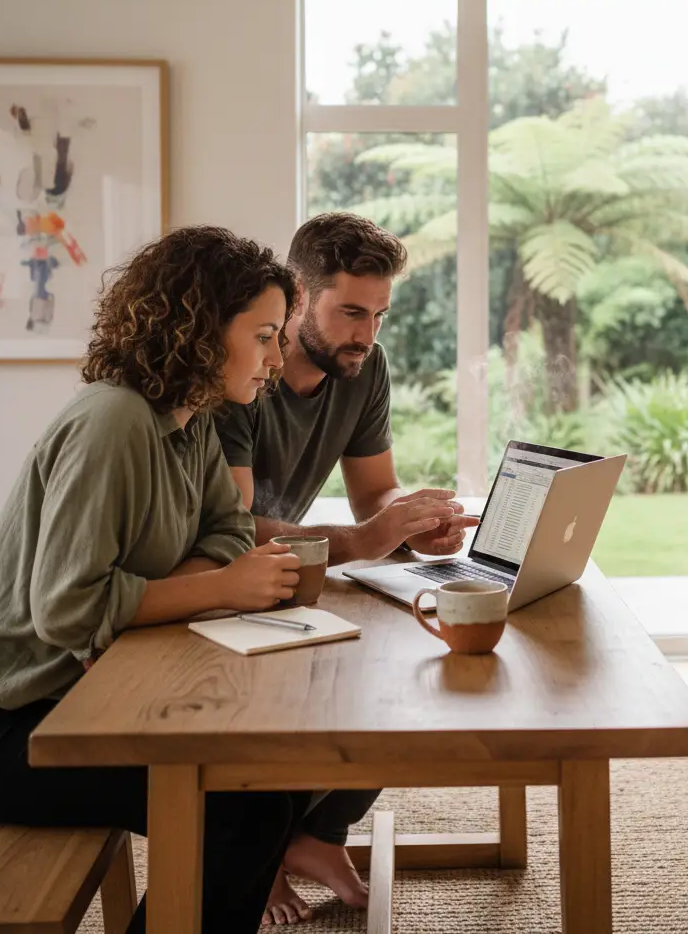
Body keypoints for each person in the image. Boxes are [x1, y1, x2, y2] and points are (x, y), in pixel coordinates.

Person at [0, 226, 309, 934]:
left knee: (278, 775)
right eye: (263, 336)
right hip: (11, 722)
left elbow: (228, 531)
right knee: (242, 808)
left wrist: (195, 586)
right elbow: (68, 610)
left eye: (279, 336)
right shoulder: (113, 423)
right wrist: (220, 590)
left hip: (80, 690)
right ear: (199, 327)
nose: (277, 359)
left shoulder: (191, 417)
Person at [215, 212, 479, 925]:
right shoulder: (241, 373)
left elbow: (374, 492)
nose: (367, 335)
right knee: (295, 696)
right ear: (297, 299)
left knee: (409, 668)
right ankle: (256, 852)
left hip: (290, 576)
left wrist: (416, 525)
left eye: (381, 314)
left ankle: (316, 837)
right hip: (218, 580)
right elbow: (231, 531)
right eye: (352, 313)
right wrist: (367, 540)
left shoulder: (366, 368)